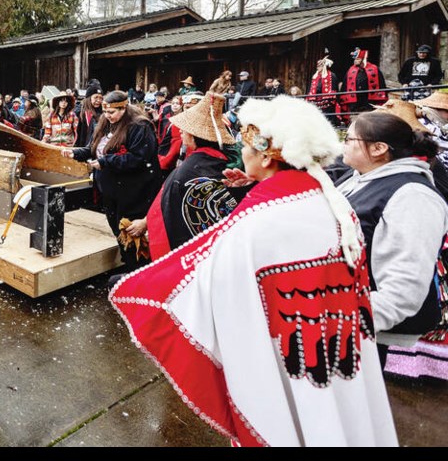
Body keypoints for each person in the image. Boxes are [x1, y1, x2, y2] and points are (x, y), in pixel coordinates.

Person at [110, 94, 397, 446]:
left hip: (283, 355)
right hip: (331, 345)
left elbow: (212, 286)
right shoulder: (330, 201)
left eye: (247, 146)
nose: (241, 153)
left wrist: (144, 289)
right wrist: (258, 187)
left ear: (265, 155)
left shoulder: (261, 220)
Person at [335, 111, 448, 367]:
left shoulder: (413, 196)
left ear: (378, 149)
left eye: (349, 138)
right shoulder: (358, 178)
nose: (343, 142)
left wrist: (340, 319)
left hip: (360, 329)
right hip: (340, 316)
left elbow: (404, 287)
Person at [125, 92, 247, 260]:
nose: (180, 132)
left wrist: (146, 223)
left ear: (193, 134)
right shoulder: (224, 161)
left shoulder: (188, 170)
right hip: (222, 249)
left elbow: (163, 206)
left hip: (190, 253)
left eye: (184, 129)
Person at [62, 92, 161, 273]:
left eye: (112, 112)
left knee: (131, 233)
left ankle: (138, 269)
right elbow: (94, 149)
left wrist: (106, 162)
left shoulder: (139, 127)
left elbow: (138, 158)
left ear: (124, 108)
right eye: (105, 112)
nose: (108, 116)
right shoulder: (105, 124)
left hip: (133, 192)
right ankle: (129, 264)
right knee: (118, 231)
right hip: (110, 191)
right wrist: (76, 153)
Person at [339, 47, 387, 114]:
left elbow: (381, 83)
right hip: (355, 100)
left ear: (363, 59)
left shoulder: (374, 69)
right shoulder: (351, 70)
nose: (355, 61)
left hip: (369, 99)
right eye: (355, 59)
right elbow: (345, 85)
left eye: (357, 59)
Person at [307, 55, 339, 119]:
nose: (318, 68)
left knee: (327, 115)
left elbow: (334, 87)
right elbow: (311, 87)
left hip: (327, 99)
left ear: (324, 66)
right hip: (316, 99)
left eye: (319, 66)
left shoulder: (331, 75)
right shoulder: (315, 76)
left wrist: (331, 97)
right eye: (317, 66)